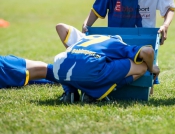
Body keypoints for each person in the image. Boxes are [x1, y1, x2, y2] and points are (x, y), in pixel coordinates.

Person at [0, 23, 159, 104]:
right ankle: (93, 94)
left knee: (59, 69)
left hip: (61, 67)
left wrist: (74, 50)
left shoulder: (86, 39)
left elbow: (60, 26)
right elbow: (148, 52)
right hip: (90, 71)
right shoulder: (116, 44)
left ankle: (70, 90)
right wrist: (152, 69)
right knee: (141, 67)